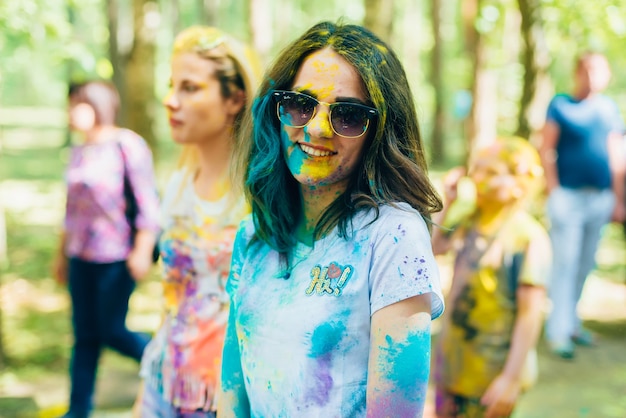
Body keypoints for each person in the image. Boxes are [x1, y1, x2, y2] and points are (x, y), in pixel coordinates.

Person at [218, 21, 445, 417]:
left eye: (349, 115)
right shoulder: (254, 233)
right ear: (276, 109)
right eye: (300, 104)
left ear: (379, 131)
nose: (317, 128)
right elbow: (232, 395)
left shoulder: (393, 236)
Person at [135, 26, 260, 417]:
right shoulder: (177, 187)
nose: (171, 101)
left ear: (235, 98)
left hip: (227, 397)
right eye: (172, 86)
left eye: (190, 88)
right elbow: (173, 298)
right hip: (165, 381)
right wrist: (144, 398)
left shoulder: (259, 197)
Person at [53, 80, 160, 418]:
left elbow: (147, 203)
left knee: (111, 330)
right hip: (80, 257)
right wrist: (61, 256)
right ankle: (77, 410)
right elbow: (70, 211)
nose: (70, 112)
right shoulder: (79, 150)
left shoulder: (127, 145)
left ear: (97, 105)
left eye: (76, 104)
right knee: (84, 336)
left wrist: (143, 250)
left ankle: (164, 359)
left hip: (116, 257)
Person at [431, 137, 551, 418]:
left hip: (490, 374)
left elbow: (529, 314)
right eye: (478, 169)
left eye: (492, 173)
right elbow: (434, 249)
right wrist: (448, 202)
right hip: (451, 363)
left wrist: (511, 378)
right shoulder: (469, 219)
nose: (478, 178)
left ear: (520, 185)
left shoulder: (528, 238)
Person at [540, 51, 626, 359]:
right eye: (587, 70)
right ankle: (558, 331)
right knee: (565, 262)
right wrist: (554, 192)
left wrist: (617, 200)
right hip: (568, 197)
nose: (592, 76)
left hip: (600, 198)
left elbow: (617, 157)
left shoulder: (609, 109)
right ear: (577, 72)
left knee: (585, 263)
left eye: (599, 70)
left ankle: (572, 323)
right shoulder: (561, 105)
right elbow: (546, 148)